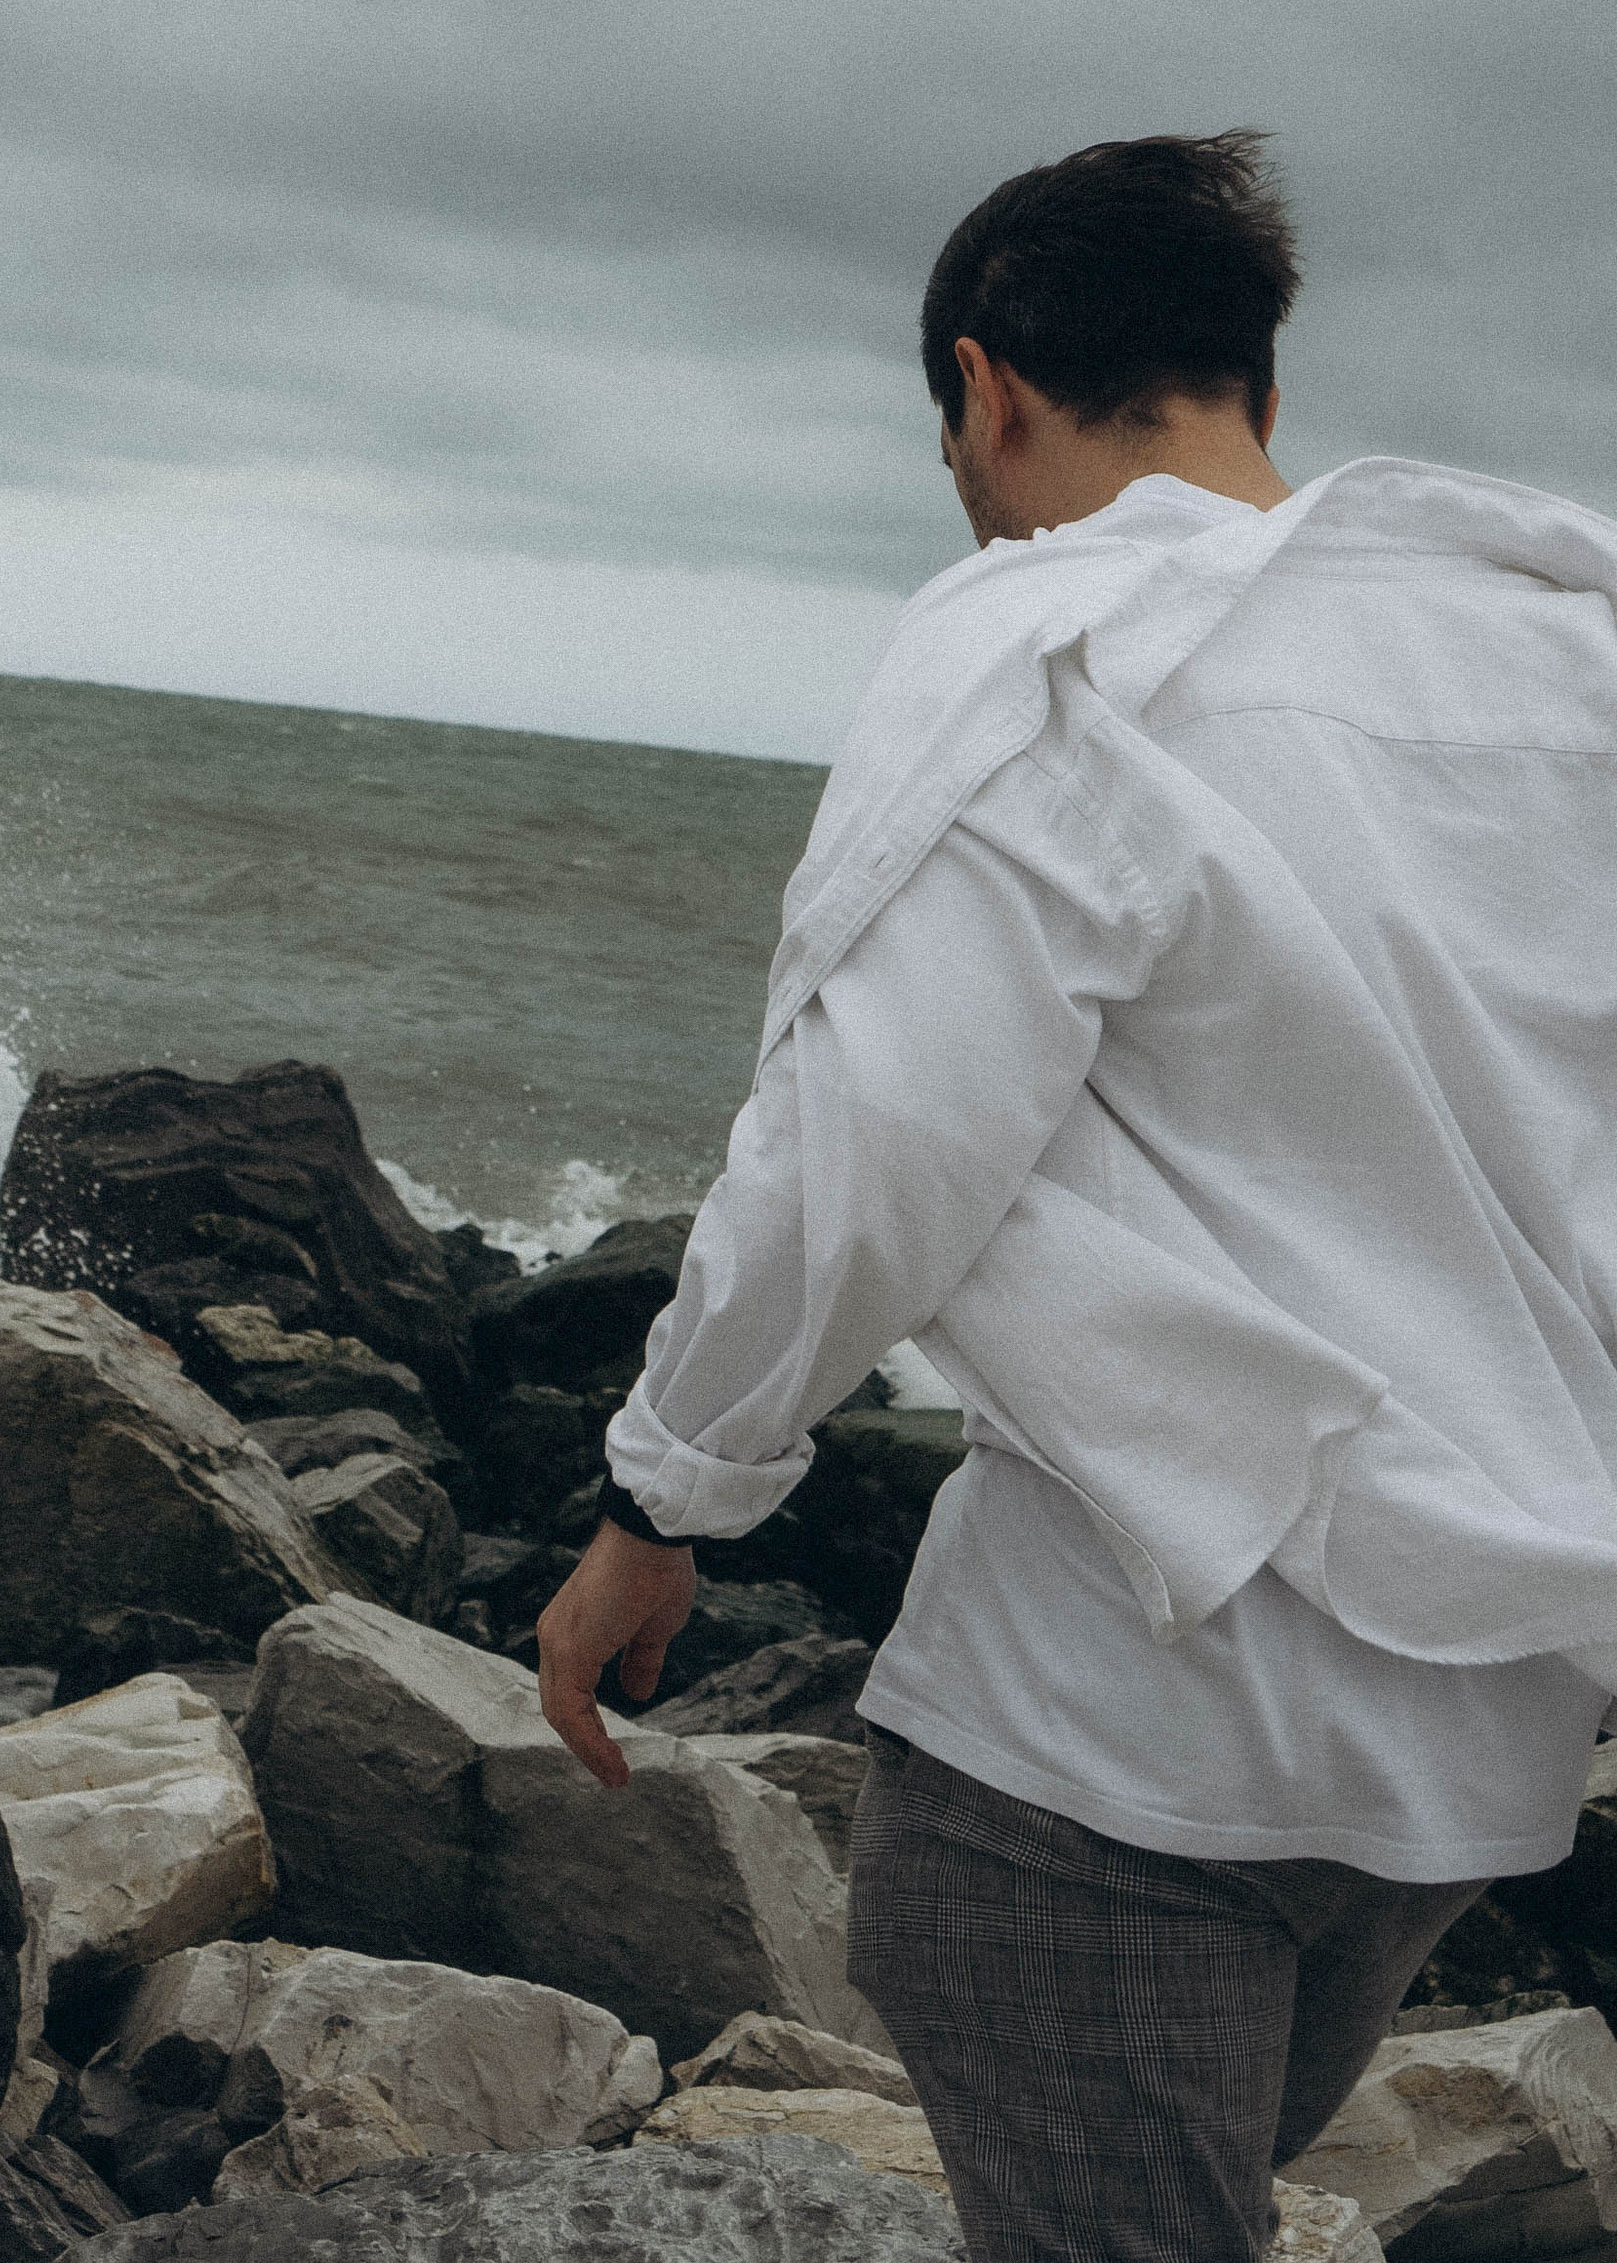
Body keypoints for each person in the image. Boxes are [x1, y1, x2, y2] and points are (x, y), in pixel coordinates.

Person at [535, 130, 1617, 2263]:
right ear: (1260, 387)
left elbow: (868, 1149)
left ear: (983, 386)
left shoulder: (1045, 658)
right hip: (1472, 1738)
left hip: (1116, 1730)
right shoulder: (1561, 661)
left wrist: (663, 1499)